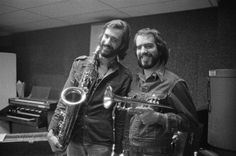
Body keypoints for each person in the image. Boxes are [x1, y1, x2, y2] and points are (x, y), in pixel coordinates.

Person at [47, 19, 132, 156]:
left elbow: (121, 117)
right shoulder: (80, 64)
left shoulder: (125, 76)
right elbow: (64, 100)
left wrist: (119, 149)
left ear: (122, 45)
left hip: (101, 143)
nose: (107, 42)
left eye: (114, 40)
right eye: (106, 36)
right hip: (74, 138)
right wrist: (52, 130)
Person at [124, 28, 200, 156]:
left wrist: (159, 118)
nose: (143, 51)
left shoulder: (174, 83)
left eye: (148, 46)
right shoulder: (134, 82)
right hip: (131, 150)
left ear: (160, 49)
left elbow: (191, 123)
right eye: (139, 47)